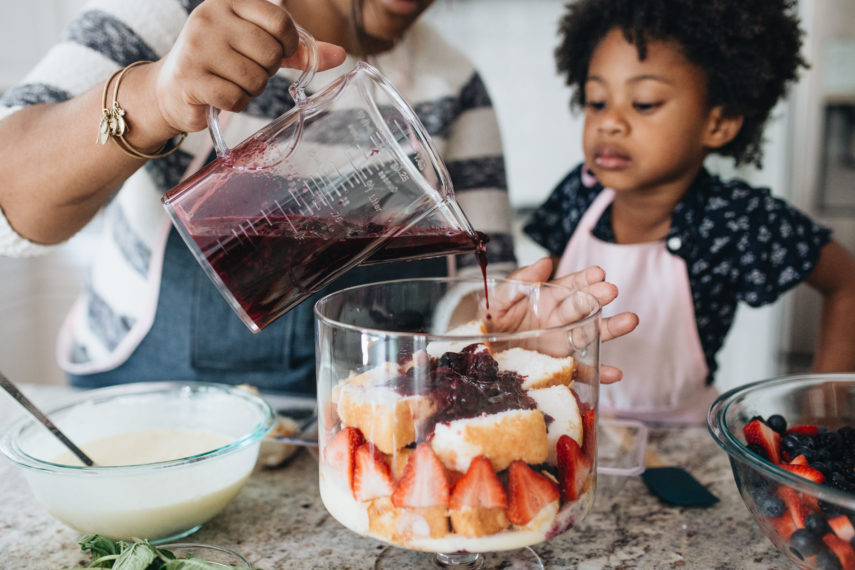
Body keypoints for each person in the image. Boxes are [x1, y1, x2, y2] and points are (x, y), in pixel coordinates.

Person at [0, 0, 635, 393]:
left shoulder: (452, 82)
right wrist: (158, 96)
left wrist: (500, 331)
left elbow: (472, 285)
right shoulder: (176, 16)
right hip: (149, 427)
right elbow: (12, 199)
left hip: (345, 436)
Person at [524, 0, 855, 424]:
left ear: (719, 123)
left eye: (643, 104)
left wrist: (824, 408)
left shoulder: (738, 219)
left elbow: (845, 283)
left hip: (687, 445)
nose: (610, 123)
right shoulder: (579, 192)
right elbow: (547, 308)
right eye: (597, 101)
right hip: (571, 425)